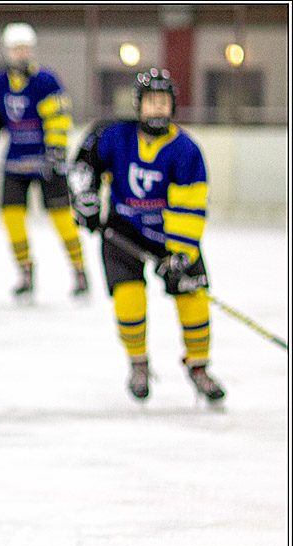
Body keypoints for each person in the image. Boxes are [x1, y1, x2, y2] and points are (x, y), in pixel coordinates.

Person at [68, 68, 225, 404]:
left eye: (164, 102)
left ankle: (199, 368)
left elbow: (191, 206)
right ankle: (138, 364)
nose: (158, 109)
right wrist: (86, 200)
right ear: (138, 105)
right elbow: (83, 169)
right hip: (122, 234)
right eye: (151, 102)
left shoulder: (185, 149)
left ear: (173, 106)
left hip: (170, 239)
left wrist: (181, 255)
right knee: (129, 301)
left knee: (194, 301)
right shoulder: (113, 135)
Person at [0, 22, 89, 299]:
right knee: (11, 216)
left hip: (47, 162)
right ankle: (25, 271)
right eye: (15, 49)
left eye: (24, 49)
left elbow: (57, 119)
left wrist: (56, 152)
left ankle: (79, 271)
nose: (20, 54)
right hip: (15, 162)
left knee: (61, 217)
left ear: (31, 50)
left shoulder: (46, 80)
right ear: (7, 52)